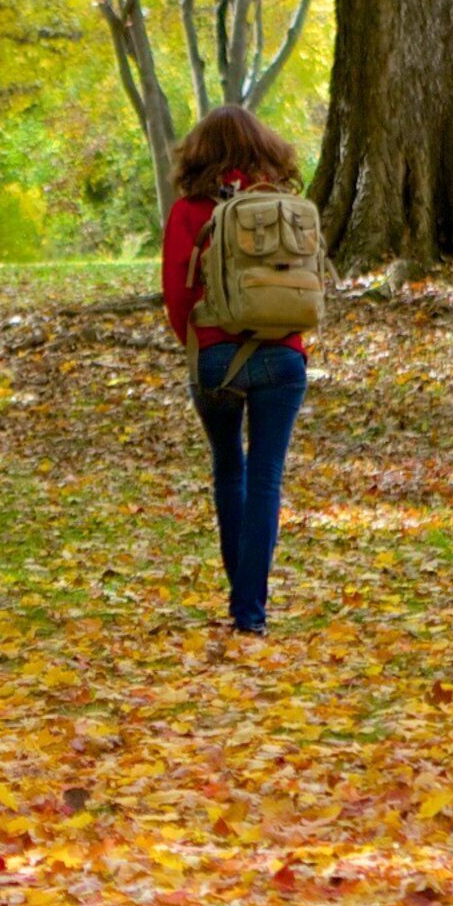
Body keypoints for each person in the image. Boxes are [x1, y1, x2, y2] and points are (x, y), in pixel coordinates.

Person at [162, 106, 310, 636]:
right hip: (283, 353)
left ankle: (240, 594)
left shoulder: (187, 212)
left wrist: (199, 346)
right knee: (266, 477)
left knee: (230, 468)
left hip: (216, 355)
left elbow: (176, 296)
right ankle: (251, 609)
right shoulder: (283, 207)